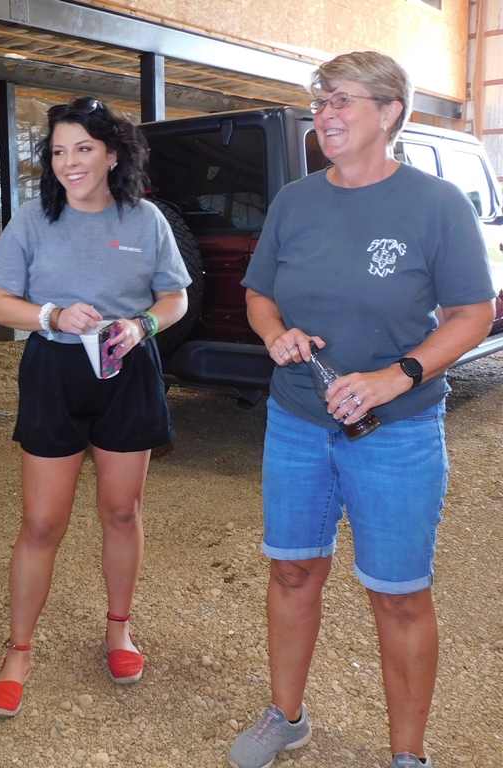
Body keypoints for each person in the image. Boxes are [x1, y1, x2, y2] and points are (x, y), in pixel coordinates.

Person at [228, 51, 495, 768]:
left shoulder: (435, 204)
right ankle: (286, 716)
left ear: (389, 112)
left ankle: (408, 755)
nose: (325, 114)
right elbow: (259, 294)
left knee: (400, 596)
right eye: (319, 102)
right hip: (296, 421)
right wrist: (274, 333)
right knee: (292, 572)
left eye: (341, 99)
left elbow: (474, 313)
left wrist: (396, 376)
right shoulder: (295, 202)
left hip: (396, 431)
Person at [0, 96, 191, 717]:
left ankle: (119, 630)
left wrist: (143, 325)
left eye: (83, 148)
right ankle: (19, 651)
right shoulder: (33, 219)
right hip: (55, 370)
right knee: (42, 522)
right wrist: (50, 314)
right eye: (58, 151)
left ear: (112, 155)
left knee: (121, 512)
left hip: (127, 367)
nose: (69, 162)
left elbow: (175, 297)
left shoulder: (146, 219)